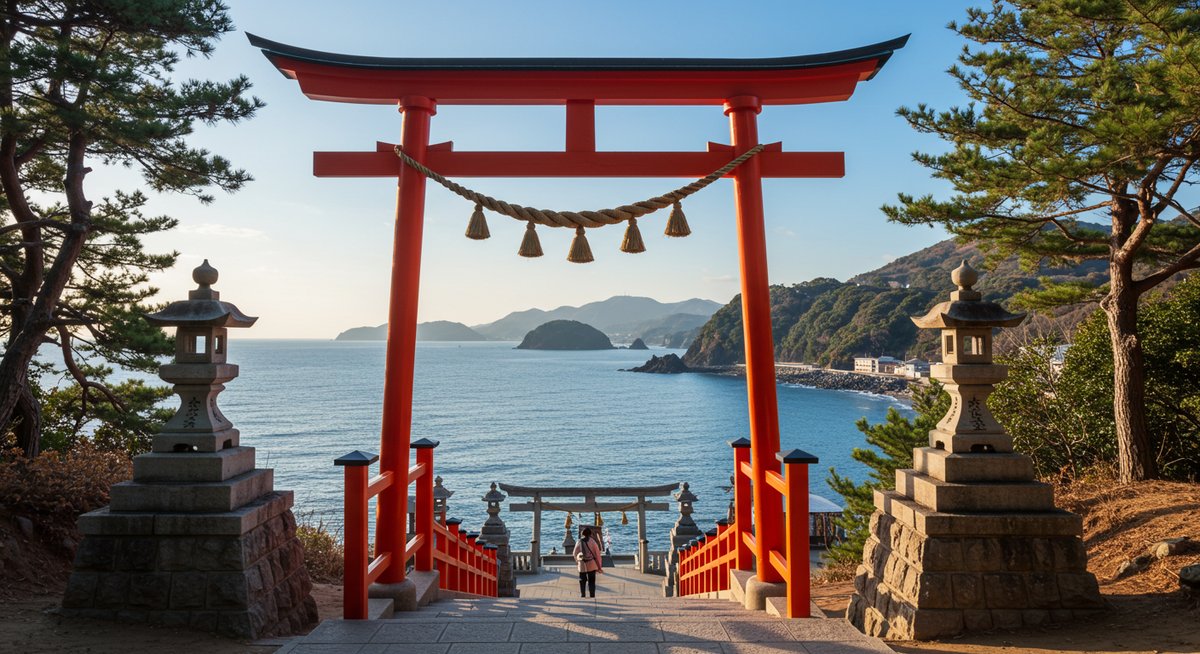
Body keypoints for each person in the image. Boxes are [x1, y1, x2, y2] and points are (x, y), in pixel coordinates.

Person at [573, 526, 603, 598]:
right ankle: (592, 595)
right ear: (590, 534)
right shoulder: (592, 542)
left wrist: (577, 561)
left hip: (582, 563)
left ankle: (583, 594)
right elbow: (597, 554)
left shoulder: (579, 541)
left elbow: (574, 553)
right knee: (592, 581)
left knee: (582, 580)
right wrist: (599, 566)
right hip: (591, 563)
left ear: (582, 534)